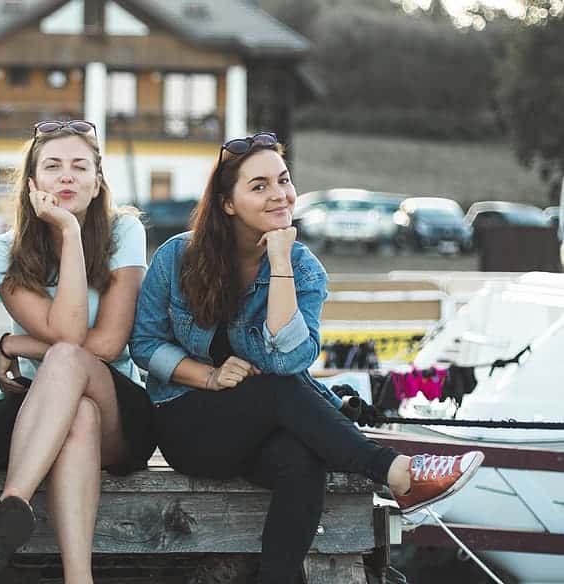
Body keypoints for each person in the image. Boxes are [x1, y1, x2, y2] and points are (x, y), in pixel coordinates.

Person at [129, 131, 485, 583]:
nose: (279, 194)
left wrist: (280, 264)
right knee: (277, 391)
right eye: (258, 186)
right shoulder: (177, 256)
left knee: (303, 459)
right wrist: (210, 376)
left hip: (261, 434)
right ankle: (397, 472)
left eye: (283, 180)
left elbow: (287, 360)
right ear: (227, 204)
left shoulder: (303, 268)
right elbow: (144, 344)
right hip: (187, 425)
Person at [0, 120, 155, 583]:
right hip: (28, 415)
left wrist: (16, 342)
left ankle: (11, 502)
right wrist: (65, 234)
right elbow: (67, 329)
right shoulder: (5, 249)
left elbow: (103, 344)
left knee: (65, 360)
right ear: (32, 182)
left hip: (117, 405)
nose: (66, 177)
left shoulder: (124, 232)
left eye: (80, 167)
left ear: (97, 183)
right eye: (53, 167)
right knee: (76, 411)